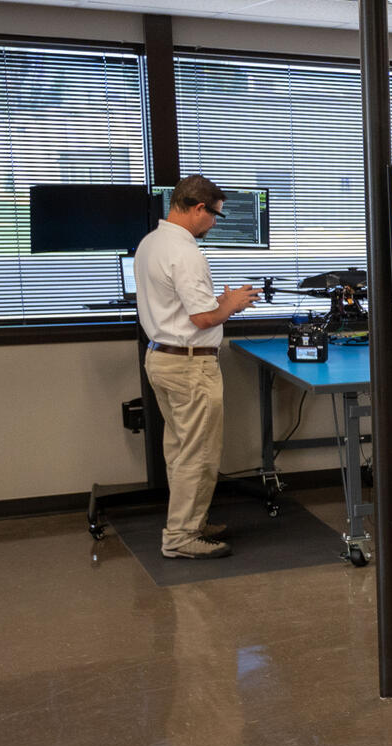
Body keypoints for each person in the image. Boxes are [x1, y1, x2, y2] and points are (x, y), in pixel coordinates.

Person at [135, 174, 259, 559]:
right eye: (215, 215)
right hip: (190, 367)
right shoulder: (186, 251)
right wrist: (233, 303)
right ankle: (181, 538)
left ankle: (191, 520)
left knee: (180, 450)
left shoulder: (151, 243)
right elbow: (204, 319)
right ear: (198, 208)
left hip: (161, 358)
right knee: (199, 454)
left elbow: (181, 306)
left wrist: (217, 303)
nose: (216, 224)